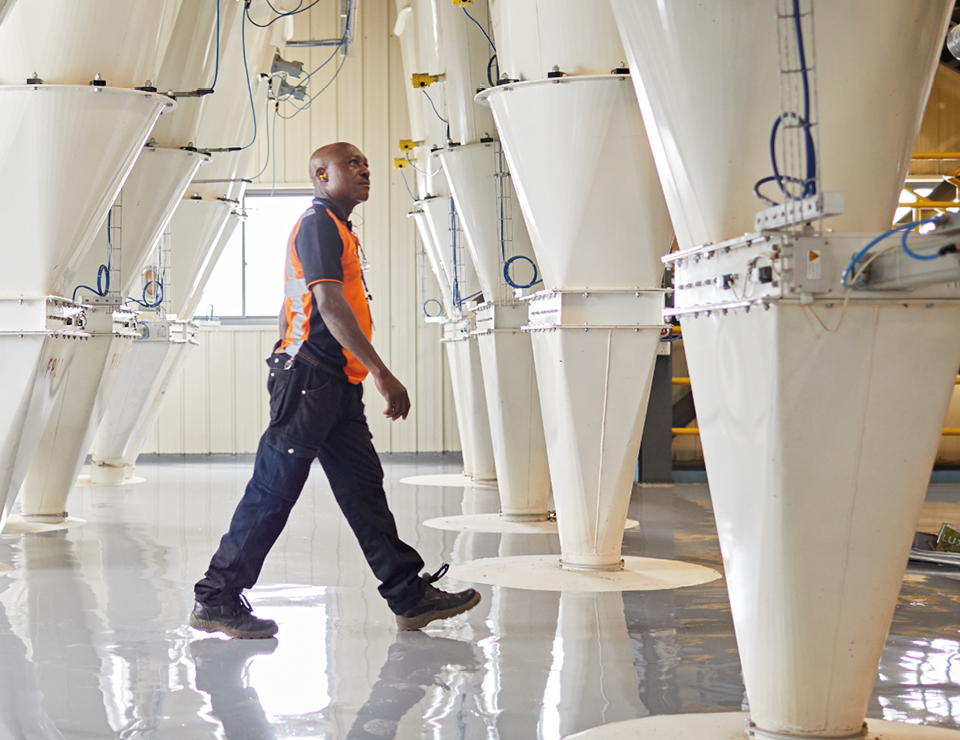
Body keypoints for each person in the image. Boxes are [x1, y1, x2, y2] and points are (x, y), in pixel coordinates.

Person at [190, 142, 480, 639]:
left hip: (334, 380)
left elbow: (299, 304)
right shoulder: (319, 224)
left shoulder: (340, 229)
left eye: (366, 162)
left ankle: (408, 595)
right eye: (352, 163)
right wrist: (381, 372)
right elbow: (327, 303)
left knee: (363, 490)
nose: (365, 169)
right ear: (322, 174)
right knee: (274, 488)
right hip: (310, 378)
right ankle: (216, 597)